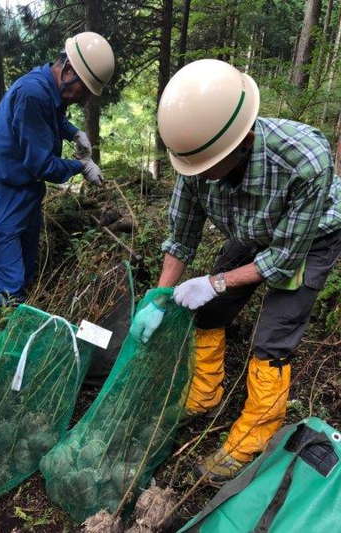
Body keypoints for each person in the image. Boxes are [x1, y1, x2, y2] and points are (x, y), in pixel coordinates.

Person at [131, 59, 341, 481]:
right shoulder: (196, 158)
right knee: (210, 311)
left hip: (311, 235)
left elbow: (283, 258)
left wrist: (217, 280)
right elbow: (182, 236)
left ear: (241, 140)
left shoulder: (304, 160)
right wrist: (157, 300)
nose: (200, 176)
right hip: (252, 227)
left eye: (209, 166)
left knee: (273, 336)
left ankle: (252, 439)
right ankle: (204, 395)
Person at [0, 32, 115, 304]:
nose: (82, 99)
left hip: (24, 191)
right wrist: (80, 167)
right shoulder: (33, 92)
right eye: (83, 90)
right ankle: (2, 338)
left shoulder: (48, 85)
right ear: (69, 69)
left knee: (24, 270)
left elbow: (53, 115)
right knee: (8, 284)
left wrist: (73, 133)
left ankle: (16, 325)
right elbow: (41, 165)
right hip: (0, 192)